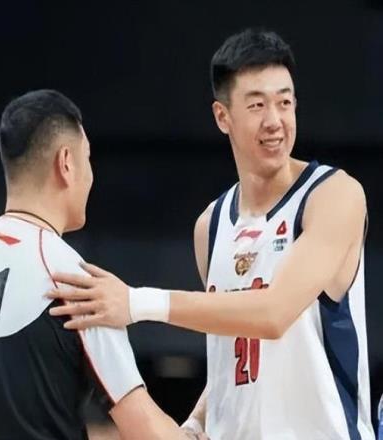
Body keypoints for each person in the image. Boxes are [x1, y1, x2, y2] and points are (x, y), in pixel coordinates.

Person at [47, 29, 375, 439]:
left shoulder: (334, 195)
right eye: (257, 105)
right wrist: (196, 423)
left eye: (285, 102)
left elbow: (273, 314)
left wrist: (135, 302)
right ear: (223, 117)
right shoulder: (211, 224)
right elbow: (234, 357)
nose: (274, 121)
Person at [0, 90, 199, 440]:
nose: (91, 175)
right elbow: (147, 432)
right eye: (88, 158)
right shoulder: (81, 289)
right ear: (66, 163)